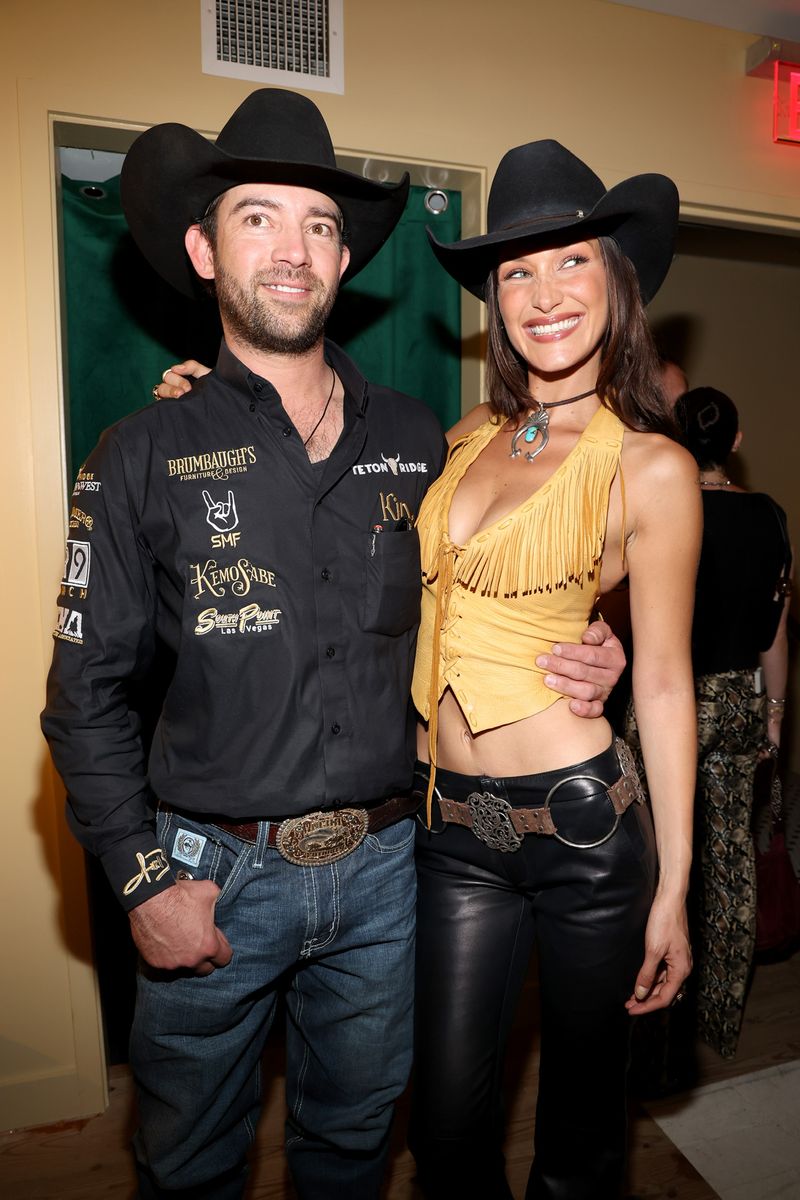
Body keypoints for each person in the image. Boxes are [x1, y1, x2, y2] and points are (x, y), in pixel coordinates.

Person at [41, 92, 624, 1200]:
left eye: (317, 223)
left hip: (390, 871)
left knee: (354, 1148)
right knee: (188, 1161)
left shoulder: (422, 436)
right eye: (257, 218)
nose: (292, 249)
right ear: (205, 249)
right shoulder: (140, 450)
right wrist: (138, 880)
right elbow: (84, 694)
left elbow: (509, 573)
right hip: (209, 874)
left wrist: (595, 644)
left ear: (344, 255)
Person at [404, 140, 700, 1199]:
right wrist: (221, 398)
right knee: (441, 1132)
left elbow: (661, 682)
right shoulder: (466, 431)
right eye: (516, 271)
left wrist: (671, 889)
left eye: (570, 261)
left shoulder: (649, 467)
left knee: (579, 1144)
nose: (541, 292)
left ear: (615, 284)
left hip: (581, 830)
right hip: (448, 828)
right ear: (493, 297)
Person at [629, 386, 792, 1074]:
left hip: (668, 705)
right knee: (730, 862)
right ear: (738, 441)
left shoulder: (663, 505)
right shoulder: (769, 515)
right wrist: (777, 711)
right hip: (737, 703)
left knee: (656, 865)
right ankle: (720, 1025)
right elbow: (775, 631)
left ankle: (651, 1022)